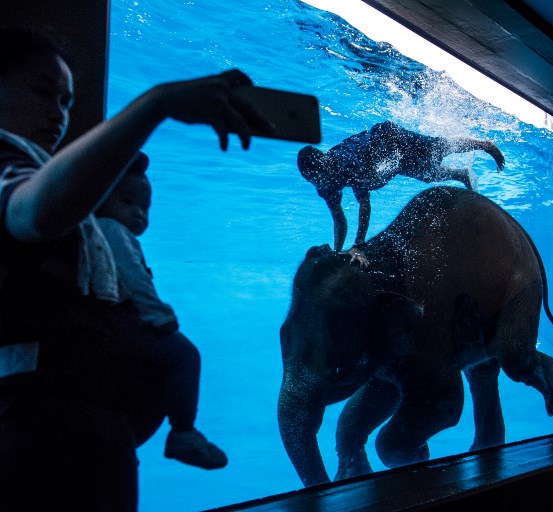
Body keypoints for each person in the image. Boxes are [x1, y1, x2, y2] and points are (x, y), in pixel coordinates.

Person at [0, 26, 266, 510]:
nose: (58, 114)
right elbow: (29, 212)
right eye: (43, 92)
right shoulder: (6, 163)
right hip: (42, 439)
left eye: (66, 101)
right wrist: (157, 104)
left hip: (77, 432)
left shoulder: (44, 173)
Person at [95, 152, 226, 469]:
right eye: (128, 201)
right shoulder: (112, 230)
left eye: (145, 207)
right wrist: (160, 316)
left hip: (109, 323)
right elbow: (134, 279)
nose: (139, 213)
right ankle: (183, 433)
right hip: (117, 320)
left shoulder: (103, 229)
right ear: (100, 198)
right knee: (185, 356)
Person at [297, 121, 505, 267]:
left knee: (435, 149)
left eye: (326, 171)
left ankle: (483, 145)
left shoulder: (344, 161)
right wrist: (336, 253)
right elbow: (339, 220)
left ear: (326, 162)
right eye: (318, 178)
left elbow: (364, 204)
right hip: (384, 163)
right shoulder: (323, 185)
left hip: (389, 138)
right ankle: (460, 175)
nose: (325, 178)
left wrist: (359, 246)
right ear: (311, 179)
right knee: (428, 174)